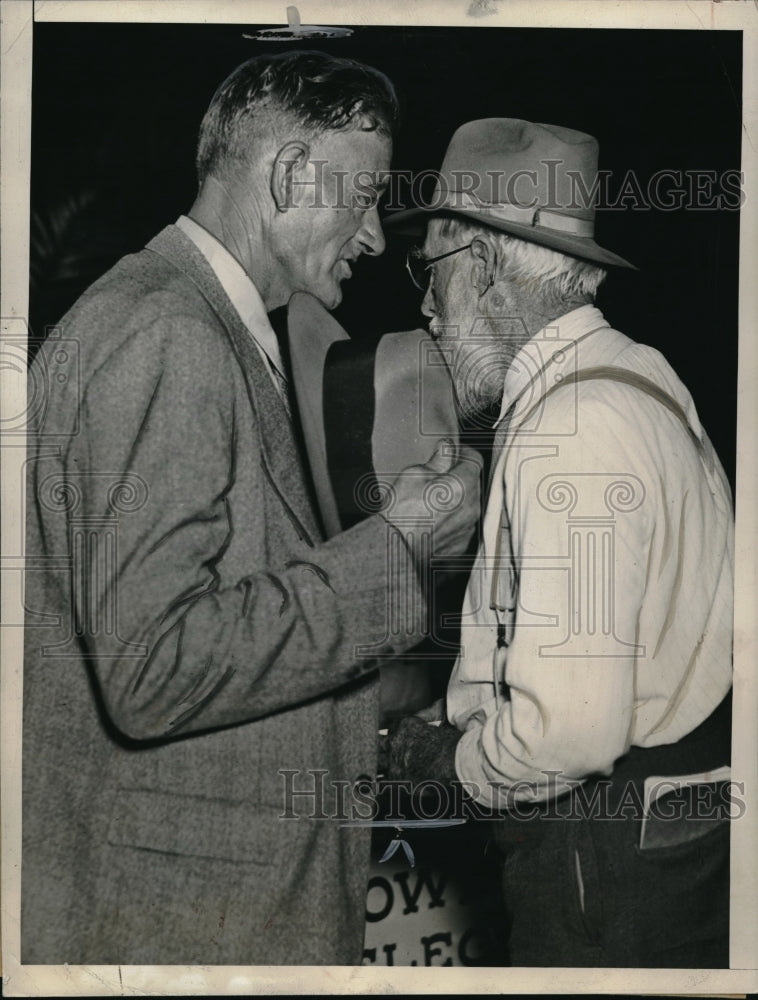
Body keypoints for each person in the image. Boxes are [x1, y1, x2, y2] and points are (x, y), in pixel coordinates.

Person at [21, 52, 481, 966]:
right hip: (179, 917)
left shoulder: (178, 319)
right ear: (288, 175)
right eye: (365, 197)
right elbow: (155, 666)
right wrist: (402, 544)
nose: (376, 238)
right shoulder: (171, 336)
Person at [384, 118, 733, 967]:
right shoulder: (639, 374)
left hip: (606, 859)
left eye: (429, 272)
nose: (424, 306)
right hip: (674, 827)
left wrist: (445, 764)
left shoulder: (572, 427)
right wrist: (457, 710)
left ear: (485, 261)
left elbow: (566, 734)